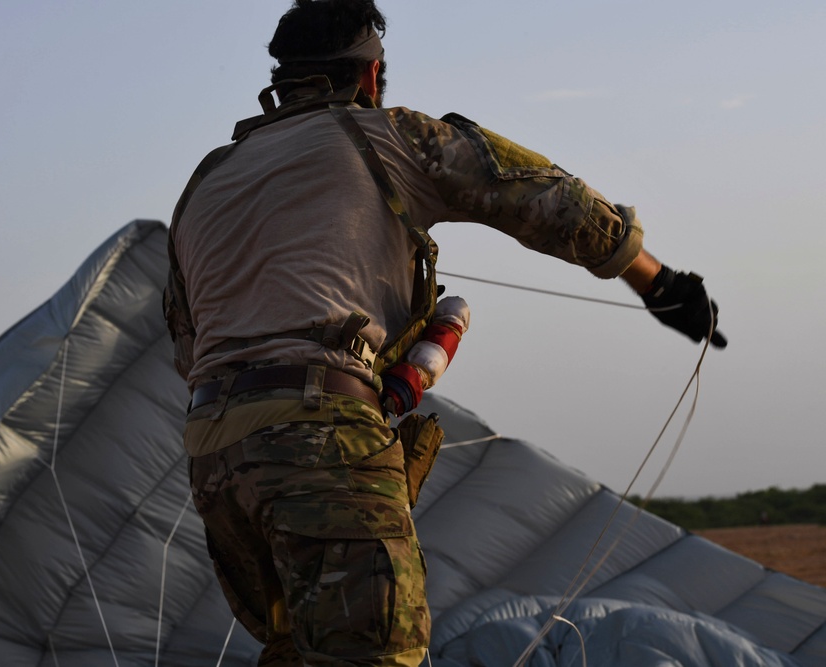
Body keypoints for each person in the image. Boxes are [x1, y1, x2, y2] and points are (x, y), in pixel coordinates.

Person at [163, 1, 727, 664]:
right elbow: (550, 200)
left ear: (284, 77)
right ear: (370, 76)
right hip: (322, 437)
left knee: (295, 647)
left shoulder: (207, 181)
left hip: (215, 458)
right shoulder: (387, 135)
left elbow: (187, 342)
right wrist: (657, 283)